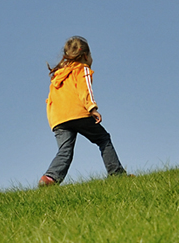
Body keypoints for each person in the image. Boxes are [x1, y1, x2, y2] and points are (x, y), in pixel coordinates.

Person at [39, 36, 126, 186]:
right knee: (103, 138)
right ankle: (116, 172)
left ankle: (50, 178)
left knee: (65, 150)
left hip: (57, 118)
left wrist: (54, 122)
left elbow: (50, 99)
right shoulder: (82, 69)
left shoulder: (57, 76)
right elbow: (84, 90)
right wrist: (92, 108)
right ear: (85, 55)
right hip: (78, 113)